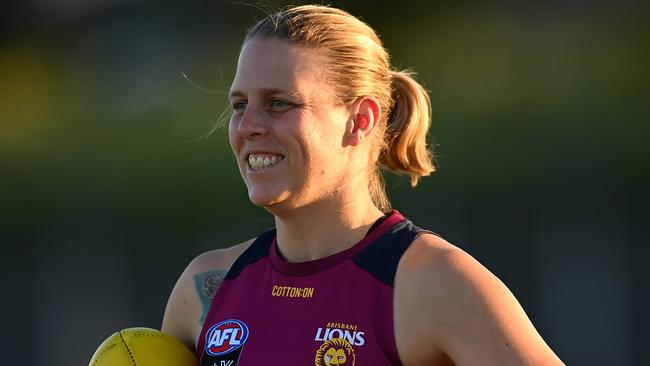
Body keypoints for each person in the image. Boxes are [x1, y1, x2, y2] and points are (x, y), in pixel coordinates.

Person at [162, 5, 564, 366]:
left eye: (279, 103)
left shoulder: (435, 283)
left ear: (360, 120)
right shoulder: (205, 289)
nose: (248, 125)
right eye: (239, 105)